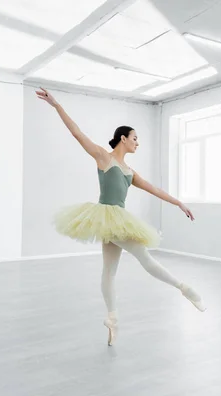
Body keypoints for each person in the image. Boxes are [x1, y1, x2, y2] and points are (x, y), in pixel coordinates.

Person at [36, 88, 205, 346]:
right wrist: (56, 105)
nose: (137, 143)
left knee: (110, 271)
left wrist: (178, 202)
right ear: (123, 138)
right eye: (135, 138)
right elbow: (77, 133)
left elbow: (155, 189)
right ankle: (185, 289)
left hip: (114, 220)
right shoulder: (103, 157)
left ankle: (112, 320)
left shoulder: (129, 170)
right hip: (107, 216)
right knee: (142, 259)